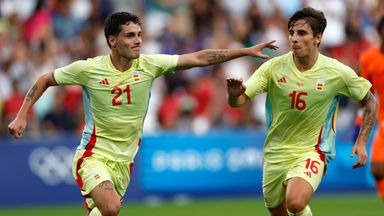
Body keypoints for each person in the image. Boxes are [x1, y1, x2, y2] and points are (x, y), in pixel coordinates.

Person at [7, 11, 277, 216]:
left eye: (139, 34)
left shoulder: (149, 64)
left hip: (125, 161)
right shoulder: (88, 69)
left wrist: (244, 51)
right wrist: (22, 116)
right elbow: (44, 79)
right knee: (111, 207)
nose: (138, 41)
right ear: (112, 41)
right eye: (130, 35)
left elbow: (200, 58)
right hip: (94, 155)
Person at [226, 7, 377, 216]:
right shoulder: (273, 68)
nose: (294, 39)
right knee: (280, 212)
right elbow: (239, 101)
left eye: (302, 33)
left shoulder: (335, 72)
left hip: (313, 150)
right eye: (291, 33)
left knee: (295, 203)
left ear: (317, 38)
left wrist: (361, 141)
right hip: (275, 152)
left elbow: (371, 102)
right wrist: (234, 95)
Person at [359, 15, 384, 201]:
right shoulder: (369, 57)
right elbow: (365, 93)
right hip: (382, 120)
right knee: (377, 169)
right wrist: (359, 121)